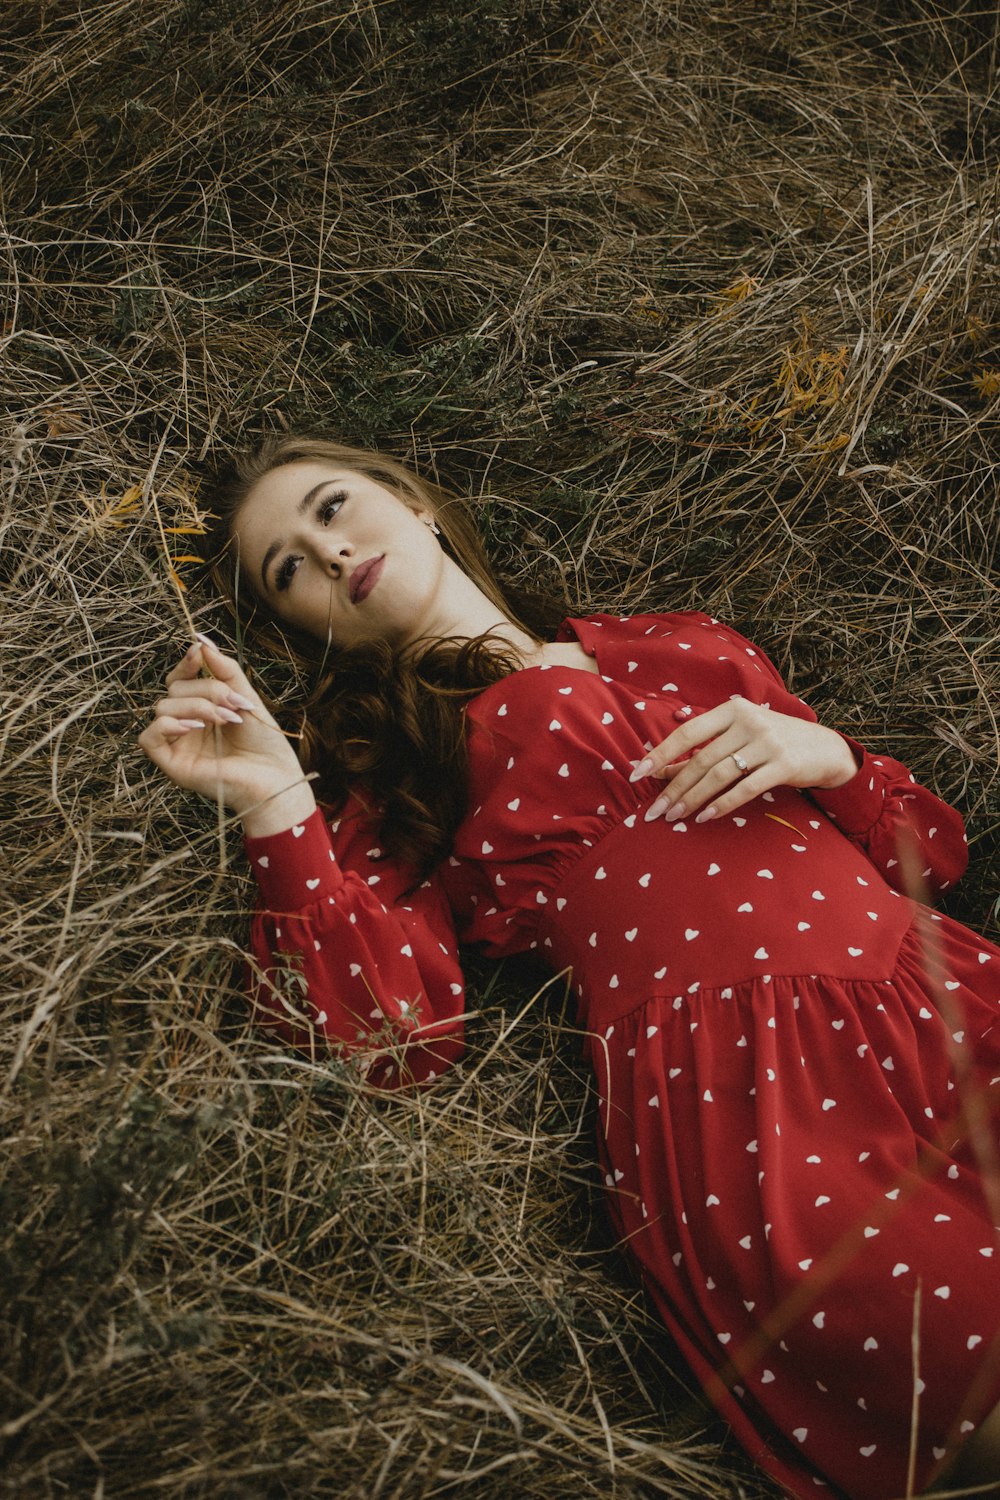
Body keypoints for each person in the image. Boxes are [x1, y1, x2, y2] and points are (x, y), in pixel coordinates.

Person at [139, 434, 1000, 1499]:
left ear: (413, 501)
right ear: (302, 627)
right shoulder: (401, 771)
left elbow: (925, 853)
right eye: (287, 571)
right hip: (754, 1104)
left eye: (333, 507)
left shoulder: (681, 646)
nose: (325, 551)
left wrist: (833, 758)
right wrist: (277, 804)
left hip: (942, 995)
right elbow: (382, 1039)